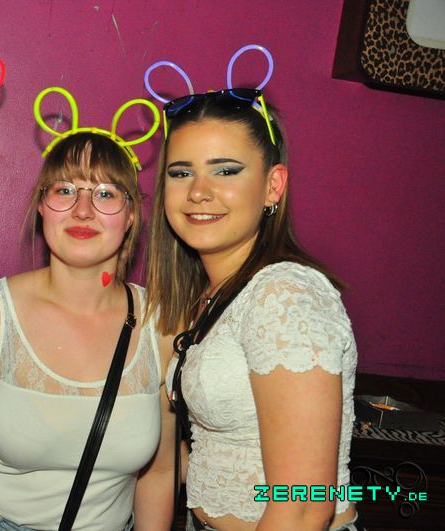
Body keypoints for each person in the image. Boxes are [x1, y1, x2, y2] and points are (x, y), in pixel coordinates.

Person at [0, 127, 175, 530]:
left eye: (105, 194)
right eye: (65, 190)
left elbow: (160, 472)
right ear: (42, 206)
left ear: (131, 215)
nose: (83, 210)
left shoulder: (162, 324)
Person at [145, 88, 361, 530]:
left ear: (272, 185)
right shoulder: (213, 296)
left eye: (225, 170)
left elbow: (304, 506)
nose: (198, 192)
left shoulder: (284, 295)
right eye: (181, 172)